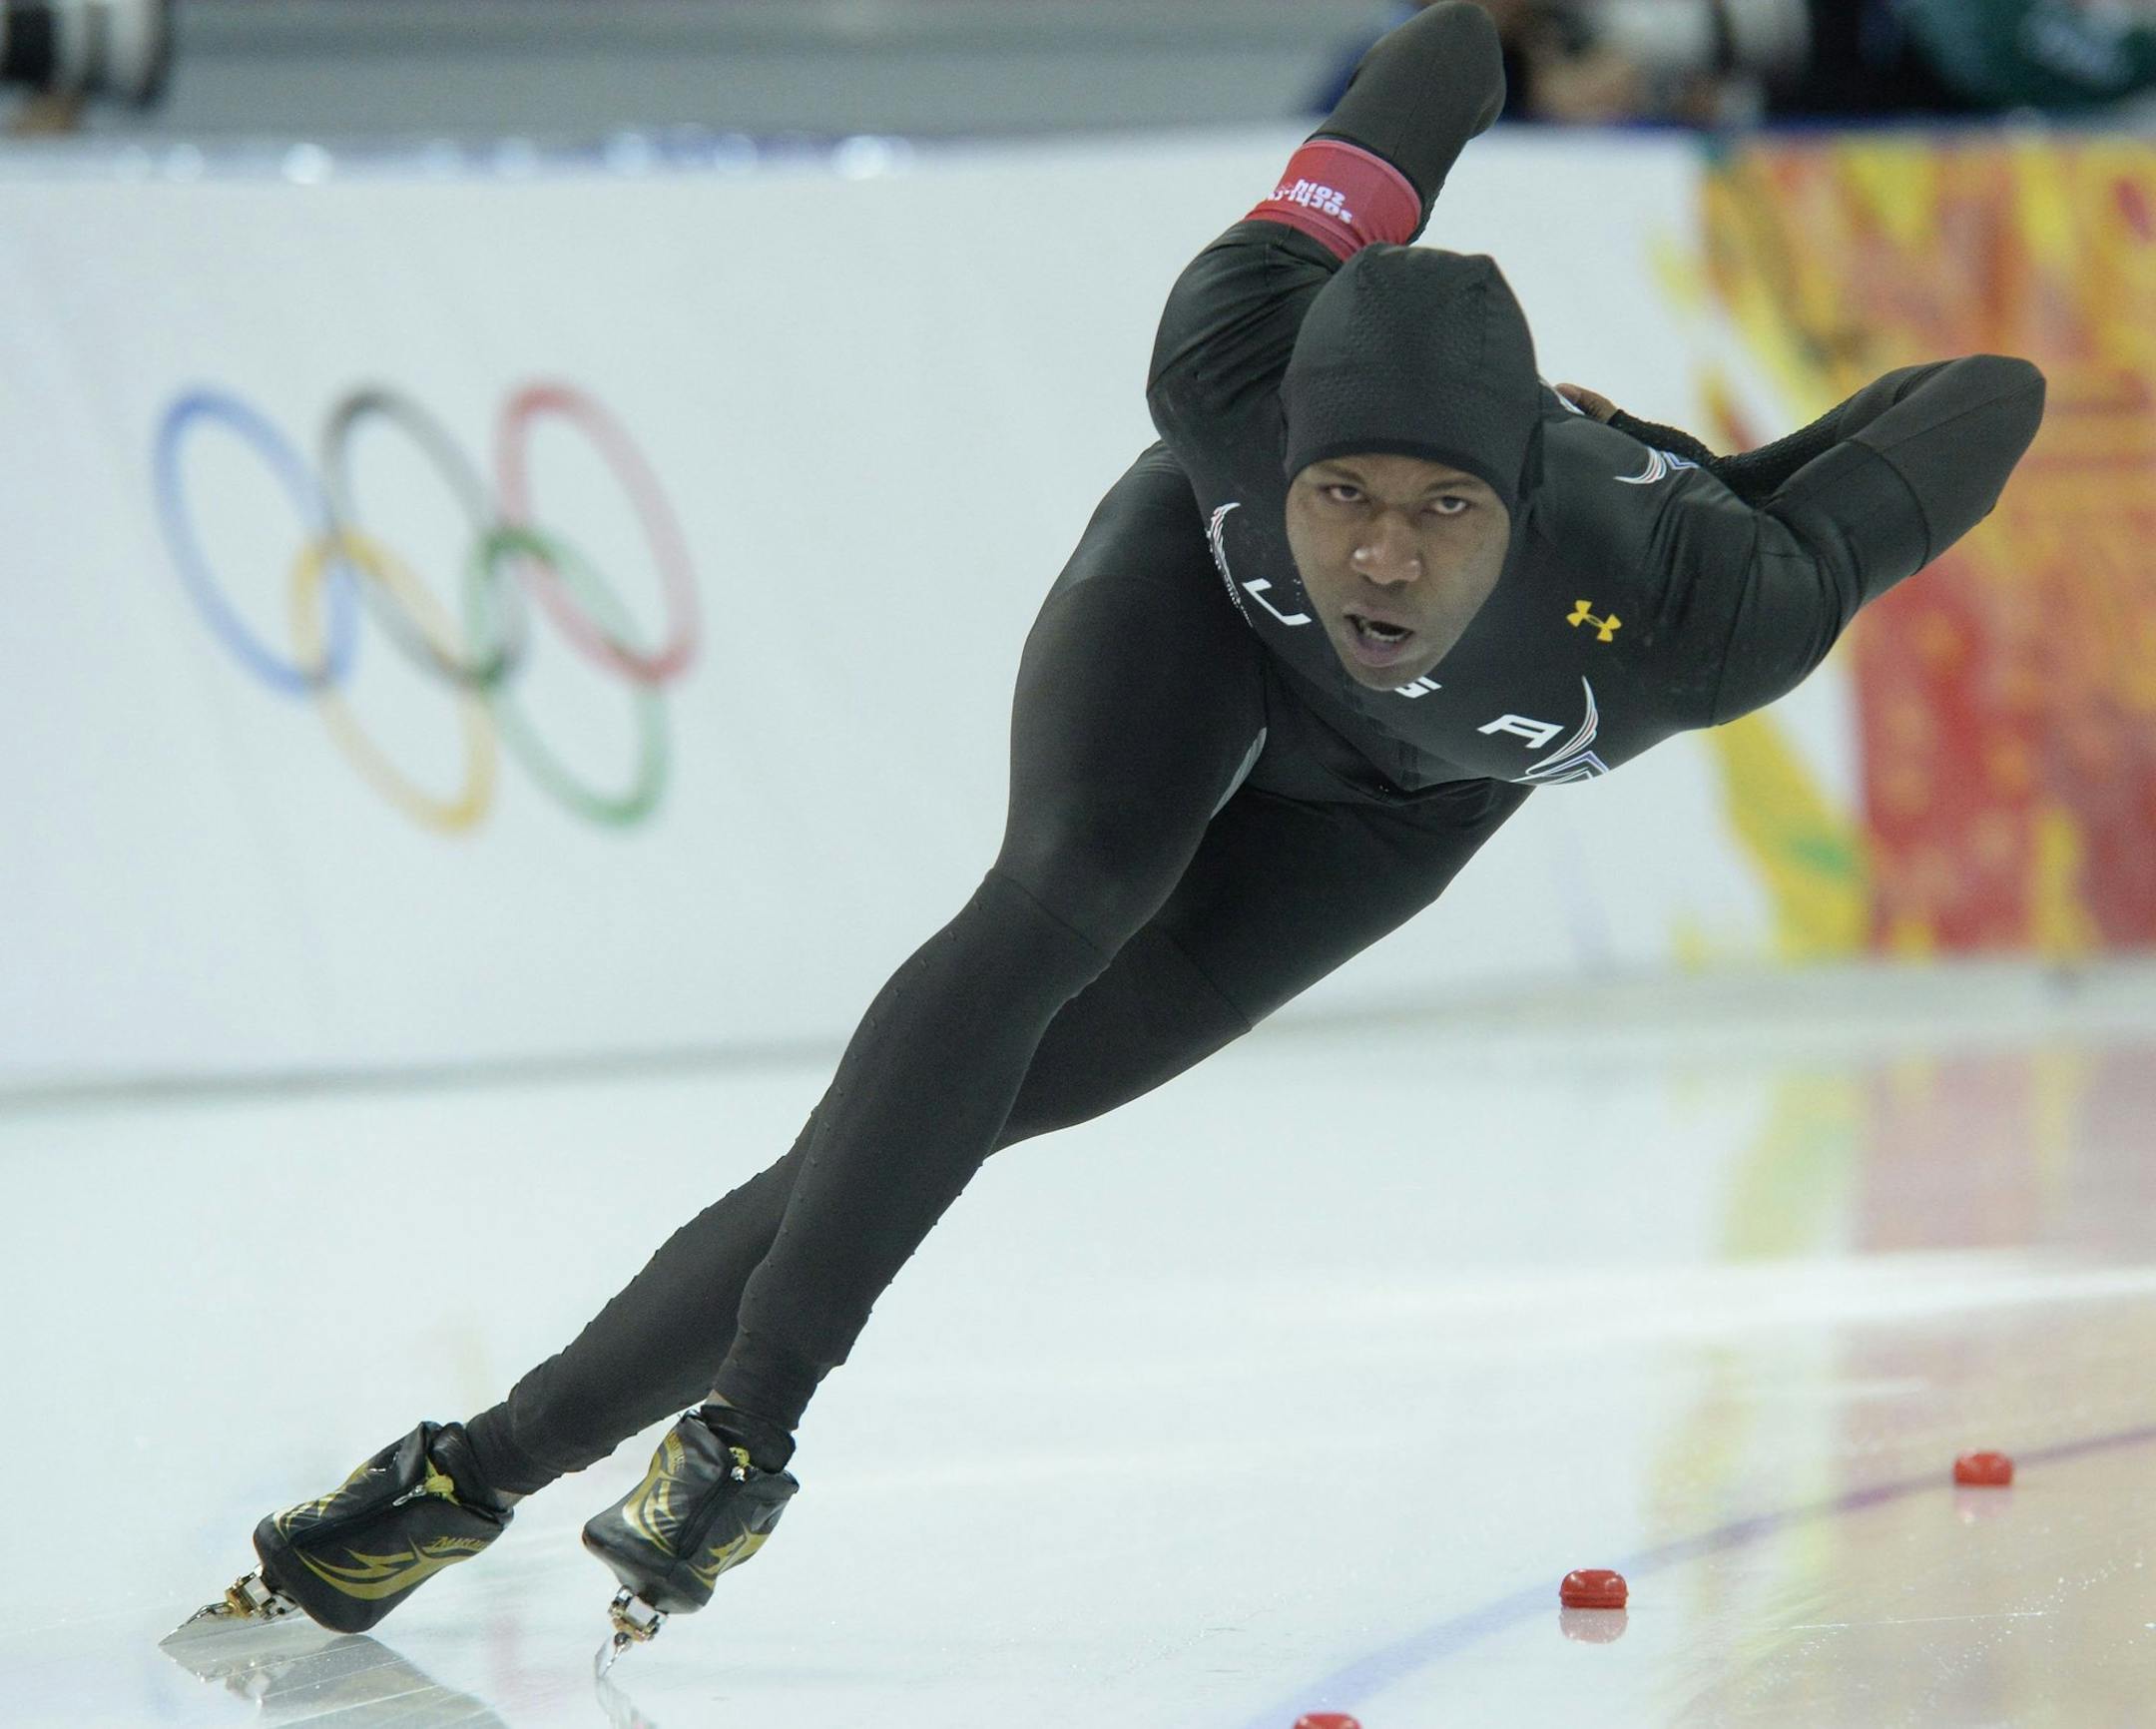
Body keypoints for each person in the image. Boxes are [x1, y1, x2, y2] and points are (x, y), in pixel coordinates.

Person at [184, 0, 2046, 1656]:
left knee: (1001, 1097)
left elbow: (1999, 389)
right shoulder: (1228, 355)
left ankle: (460, 1478)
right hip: (1194, 620)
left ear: (1528, 504)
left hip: (1398, 803)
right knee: (1063, 892)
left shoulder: (1701, 610)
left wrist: (1730, 491)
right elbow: (1449, 57)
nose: (1380, 559)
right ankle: (742, 1437)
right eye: (1340, 495)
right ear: (1279, 441)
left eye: (1441, 513)